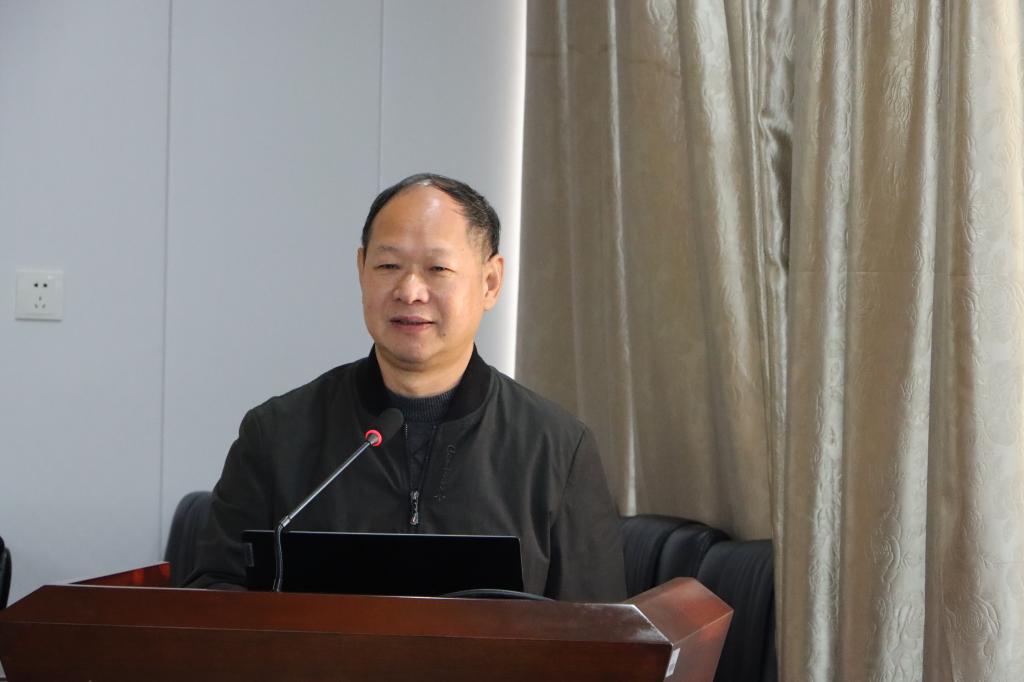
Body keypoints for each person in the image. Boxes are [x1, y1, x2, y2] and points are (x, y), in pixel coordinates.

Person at [188, 173, 626, 601]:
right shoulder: (276, 435)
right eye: (388, 266)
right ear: (362, 270)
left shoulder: (556, 450)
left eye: (438, 268)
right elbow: (212, 599)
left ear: (490, 282)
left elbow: (598, 631)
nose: (410, 290)